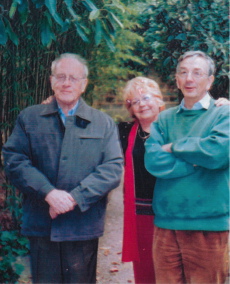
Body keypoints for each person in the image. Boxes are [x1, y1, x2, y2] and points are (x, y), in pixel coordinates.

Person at [3, 53, 123, 284]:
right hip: (41, 222)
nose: (66, 83)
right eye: (61, 77)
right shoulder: (29, 118)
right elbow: (14, 159)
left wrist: (74, 198)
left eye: (73, 78)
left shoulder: (102, 122)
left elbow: (112, 168)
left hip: (82, 225)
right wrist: (48, 193)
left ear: (84, 84)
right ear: (51, 81)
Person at [144, 50, 230, 284]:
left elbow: (218, 153)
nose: (189, 78)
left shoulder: (224, 114)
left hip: (208, 226)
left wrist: (174, 147)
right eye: (183, 72)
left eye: (197, 73)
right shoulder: (164, 119)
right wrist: (197, 160)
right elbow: (152, 161)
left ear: (210, 80)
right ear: (177, 78)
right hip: (166, 224)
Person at [119, 77, 165, 284]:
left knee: (172, 270)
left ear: (158, 100)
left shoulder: (174, 125)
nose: (142, 104)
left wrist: (222, 107)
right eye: (134, 102)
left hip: (171, 213)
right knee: (145, 272)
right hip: (140, 214)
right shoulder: (124, 131)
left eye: (146, 97)